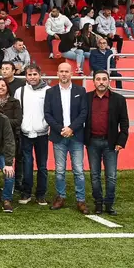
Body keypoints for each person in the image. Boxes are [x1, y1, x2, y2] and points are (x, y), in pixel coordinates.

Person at [44, 62, 89, 213]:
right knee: (60, 170)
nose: (64, 74)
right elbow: (47, 114)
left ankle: (81, 200)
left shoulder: (80, 90)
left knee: (78, 170)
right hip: (59, 137)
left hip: (76, 137)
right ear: (57, 73)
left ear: (71, 74)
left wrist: (71, 128)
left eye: (67, 71)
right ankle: (60, 197)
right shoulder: (50, 92)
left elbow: (83, 113)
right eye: (61, 71)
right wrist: (61, 129)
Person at [85, 70, 129, 215]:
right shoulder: (86, 98)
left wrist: (121, 141)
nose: (101, 82)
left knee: (111, 176)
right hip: (92, 143)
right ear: (94, 81)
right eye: (98, 79)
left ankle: (109, 204)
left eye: (104, 79)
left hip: (111, 143)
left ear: (109, 81)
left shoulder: (119, 99)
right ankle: (98, 204)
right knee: (95, 175)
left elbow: (124, 122)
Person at [14, 64, 50, 205]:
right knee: (27, 164)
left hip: (42, 134)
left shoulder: (48, 91)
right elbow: (18, 113)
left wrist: (45, 125)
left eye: (35, 74)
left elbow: (50, 112)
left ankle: (41, 194)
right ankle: (26, 192)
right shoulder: (20, 91)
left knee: (42, 166)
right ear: (26, 77)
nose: (32, 77)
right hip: (25, 134)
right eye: (29, 75)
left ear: (40, 75)